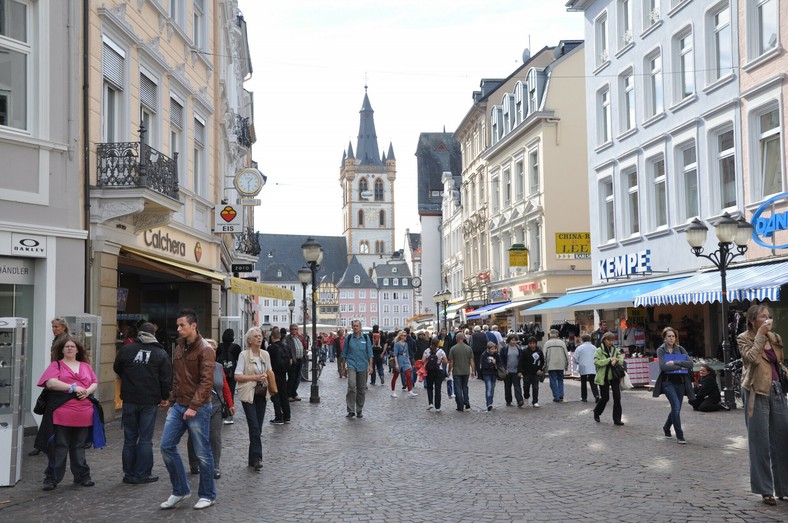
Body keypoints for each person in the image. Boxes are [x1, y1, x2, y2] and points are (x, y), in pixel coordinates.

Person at [159, 309, 216, 510]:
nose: (178, 329)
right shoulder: (179, 347)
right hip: (179, 405)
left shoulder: (205, 349)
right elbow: (178, 377)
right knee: (166, 446)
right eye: (178, 325)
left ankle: (208, 495)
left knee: (202, 453)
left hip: (198, 407)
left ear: (194, 325)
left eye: (182, 325)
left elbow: (206, 382)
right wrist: (172, 402)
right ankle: (180, 490)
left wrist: (193, 406)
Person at [737, 304, 788, 506]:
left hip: (776, 390)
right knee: (760, 443)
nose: (767, 320)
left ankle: (784, 487)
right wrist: (759, 335)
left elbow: (778, 362)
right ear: (752, 320)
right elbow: (751, 359)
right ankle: (765, 490)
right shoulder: (744, 338)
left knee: (782, 440)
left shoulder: (775, 338)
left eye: (769, 316)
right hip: (755, 391)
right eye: (762, 317)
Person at [37, 335, 100, 491]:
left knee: (79, 446)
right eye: (67, 346)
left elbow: (94, 382)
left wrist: (87, 391)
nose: (70, 348)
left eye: (72, 346)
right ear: (62, 350)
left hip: (84, 412)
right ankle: (52, 478)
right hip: (62, 413)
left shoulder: (85, 366)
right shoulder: (56, 365)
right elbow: (50, 383)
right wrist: (72, 387)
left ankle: (82, 476)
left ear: (78, 349)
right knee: (60, 446)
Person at [114, 322, 171, 485]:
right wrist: (164, 396)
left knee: (129, 438)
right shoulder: (160, 352)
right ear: (154, 333)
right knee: (145, 439)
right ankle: (143, 473)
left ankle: (129, 473)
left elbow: (117, 367)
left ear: (139, 333)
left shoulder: (126, 349)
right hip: (149, 400)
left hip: (130, 399)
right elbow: (165, 378)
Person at [187, 339, 235, 480]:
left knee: (214, 437)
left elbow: (224, 387)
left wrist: (230, 404)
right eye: (208, 349)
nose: (211, 351)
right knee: (195, 434)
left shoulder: (219, 367)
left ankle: (215, 466)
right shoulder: (194, 366)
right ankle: (194, 463)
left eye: (214, 349)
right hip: (198, 406)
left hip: (216, 406)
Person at [234, 327, 273, 473]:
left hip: (262, 392)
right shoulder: (243, 355)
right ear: (249, 340)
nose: (259, 338)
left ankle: (252, 459)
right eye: (256, 336)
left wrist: (267, 377)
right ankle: (257, 458)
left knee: (258, 427)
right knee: (254, 426)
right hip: (248, 394)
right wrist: (255, 377)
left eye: (260, 336)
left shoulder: (266, 354)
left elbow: (270, 371)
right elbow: (237, 376)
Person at [652, 327, 695, 444]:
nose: (671, 338)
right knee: (676, 407)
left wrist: (676, 362)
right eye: (669, 336)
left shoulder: (681, 349)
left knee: (677, 408)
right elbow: (663, 367)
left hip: (680, 382)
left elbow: (690, 364)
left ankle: (666, 427)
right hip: (667, 382)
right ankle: (680, 435)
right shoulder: (661, 350)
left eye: (673, 336)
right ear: (665, 338)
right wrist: (681, 366)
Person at [593, 332, 624, 426]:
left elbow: (621, 359)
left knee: (617, 397)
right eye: (609, 340)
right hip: (603, 377)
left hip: (614, 376)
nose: (611, 342)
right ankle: (597, 412)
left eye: (612, 340)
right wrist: (609, 360)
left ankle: (617, 419)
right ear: (604, 340)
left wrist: (617, 360)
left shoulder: (615, 349)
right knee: (605, 398)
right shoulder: (599, 350)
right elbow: (596, 362)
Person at [343, 320, 373, 418]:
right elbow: (344, 353)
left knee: (361, 389)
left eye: (357, 326)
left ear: (360, 327)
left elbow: (370, 353)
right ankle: (351, 410)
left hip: (363, 365)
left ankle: (359, 410)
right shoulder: (348, 339)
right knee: (351, 385)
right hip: (351, 364)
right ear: (352, 327)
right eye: (354, 326)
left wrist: (371, 366)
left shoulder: (365, 338)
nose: (355, 327)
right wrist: (343, 367)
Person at [215, 329, 241, 425]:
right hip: (232, 373)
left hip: (220, 373)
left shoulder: (219, 347)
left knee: (220, 393)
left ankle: (221, 413)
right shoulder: (237, 348)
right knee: (230, 393)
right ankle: (229, 414)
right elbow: (239, 361)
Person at [267, 328, 292, 425]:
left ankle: (278, 416)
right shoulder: (286, 347)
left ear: (272, 337)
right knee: (284, 394)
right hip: (283, 373)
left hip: (274, 374)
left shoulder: (271, 348)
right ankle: (287, 416)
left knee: (275, 395)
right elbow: (289, 361)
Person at [447, 332, 475, 411]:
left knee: (458, 388)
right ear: (463, 338)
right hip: (466, 371)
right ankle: (467, 402)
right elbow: (471, 360)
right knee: (465, 387)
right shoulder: (468, 348)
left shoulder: (453, 348)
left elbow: (451, 362)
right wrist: (473, 370)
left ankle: (460, 405)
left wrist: (449, 371)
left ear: (456, 339)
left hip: (457, 371)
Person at [543, 329, 569, 402]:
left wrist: (544, 365)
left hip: (551, 364)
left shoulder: (547, 343)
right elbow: (566, 355)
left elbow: (544, 355)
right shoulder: (562, 343)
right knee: (560, 379)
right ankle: (561, 394)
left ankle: (556, 396)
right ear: (557, 334)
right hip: (561, 364)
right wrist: (567, 364)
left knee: (553, 380)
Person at [422, 337, 447, 412]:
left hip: (429, 371)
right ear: (438, 343)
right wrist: (440, 361)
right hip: (438, 371)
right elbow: (446, 361)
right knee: (438, 389)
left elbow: (423, 360)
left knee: (429, 387)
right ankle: (438, 407)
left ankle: (430, 403)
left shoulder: (427, 351)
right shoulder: (441, 351)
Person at [518, 337, 544, 408]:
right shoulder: (524, 351)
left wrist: (540, 369)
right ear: (528, 344)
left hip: (536, 372)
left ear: (536, 344)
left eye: (533, 343)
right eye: (530, 343)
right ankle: (526, 398)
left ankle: (535, 401)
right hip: (526, 372)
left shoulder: (539, 351)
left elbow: (542, 361)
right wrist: (520, 371)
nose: (532, 345)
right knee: (526, 387)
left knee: (535, 387)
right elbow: (521, 362)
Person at [573, 333, 599, 403]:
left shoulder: (579, 348)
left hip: (583, 366)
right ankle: (596, 395)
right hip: (592, 366)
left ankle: (584, 397)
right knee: (593, 382)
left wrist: (578, 362)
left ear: (582, 340)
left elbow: (575, 357)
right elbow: (597, 356)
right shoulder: (594, 347)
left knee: (583, 382)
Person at [391, 330, 417, 398]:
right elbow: (395, 355)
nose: (406, 337)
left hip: (405, 361)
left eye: (406, 335)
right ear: (401, 336)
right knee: (395, 377)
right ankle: (393, 391)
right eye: (404, 335)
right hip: (399, 361)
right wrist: (396, 364)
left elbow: (407, 355)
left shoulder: (406, 344)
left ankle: (410, 391)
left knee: (408, 376)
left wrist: (409, 364)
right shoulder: (397, 344)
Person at [500, 334, 524, 407]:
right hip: (507, 370)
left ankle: (519, 400)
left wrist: (520, 370)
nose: (514, 342)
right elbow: (501, 359)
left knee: (517, 386)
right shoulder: (505, 348)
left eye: (515, 340)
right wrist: (504, 368)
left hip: (516, 370)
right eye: (512, 340)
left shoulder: (519, 348)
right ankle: (508, 400)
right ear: (509, 340)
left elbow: (521, 360)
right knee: (507, 386)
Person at [286, 324, 307, 401]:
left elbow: (303, 347)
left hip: (300, 359)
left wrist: (304, 355)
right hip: (293, 360)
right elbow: (287, 349)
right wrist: (290, 358)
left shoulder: (300, 338)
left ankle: (294, 393)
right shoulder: (288, 339)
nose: (294, 331)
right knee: (292, 378)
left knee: (297, 378)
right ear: (290, 330)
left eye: (295, 329)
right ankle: (289, 394)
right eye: (293, 329)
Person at [479, 341, 500, 411]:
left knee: (492, 388)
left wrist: (497, 364)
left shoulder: (496, 355)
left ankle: (491, 402)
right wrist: (492, 363)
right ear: (488, 349)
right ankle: (489, 404)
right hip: (486, 373)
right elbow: (483, 365)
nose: (494, 350)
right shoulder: (484, 355)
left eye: (494, 349)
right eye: (492, 349)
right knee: (489, 388)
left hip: (493, 373)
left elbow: (500, 363)